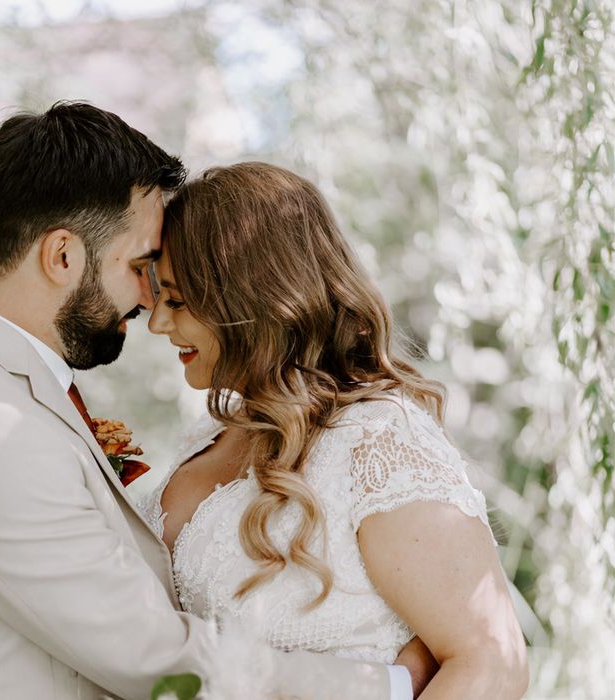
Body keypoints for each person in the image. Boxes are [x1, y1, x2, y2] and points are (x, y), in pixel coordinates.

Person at [0, 103, 429, 700]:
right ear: (62, 256)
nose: (150, 298)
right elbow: (149, 654)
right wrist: (388, 685)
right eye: (140, 265)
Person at [143, 162, 530, 699]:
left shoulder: (378, 441)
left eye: (178, 301)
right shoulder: (210, 435)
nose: (158, 323)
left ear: (251, 302)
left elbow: (490, 662)